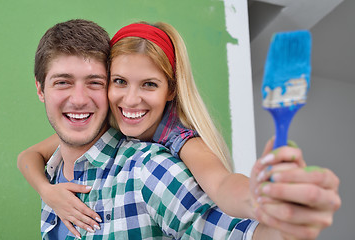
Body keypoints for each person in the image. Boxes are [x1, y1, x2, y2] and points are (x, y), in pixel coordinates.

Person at [18, 19, 341, 239]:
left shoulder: (156, 162)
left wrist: (266, 206)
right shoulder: (62, 164)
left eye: (94, 83)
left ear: (171, 90)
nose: (131, 99)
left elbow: (225, 196)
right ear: (40, 89)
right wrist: (48, 191)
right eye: (119, 82)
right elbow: (28, 155)